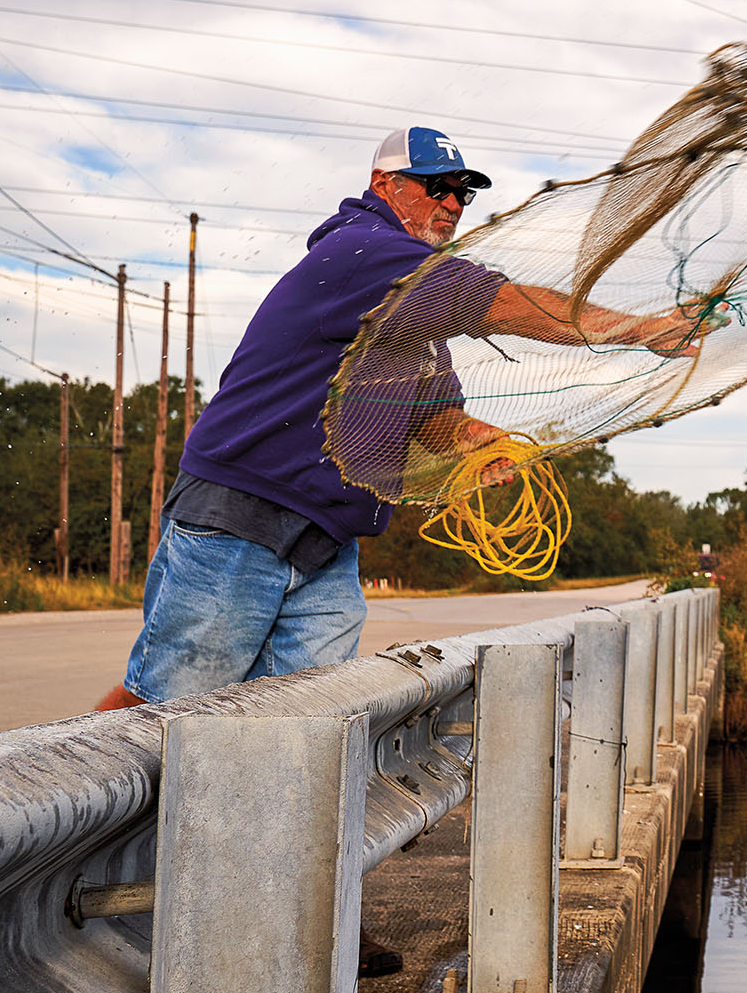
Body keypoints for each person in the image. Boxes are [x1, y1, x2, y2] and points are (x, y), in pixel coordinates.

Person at [101, 126, 703, 715]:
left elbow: (436, 421)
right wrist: (641, 329)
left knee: (295, 725)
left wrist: (481, 446)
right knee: (162, 713)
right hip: (239, 518)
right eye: (433, 186)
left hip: (326, 543)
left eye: (462, 193)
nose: (450, 204)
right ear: (384, 184)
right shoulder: (366, 251)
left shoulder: (416, 316)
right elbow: (499, 303)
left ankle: (224, 818)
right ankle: (66, 795)